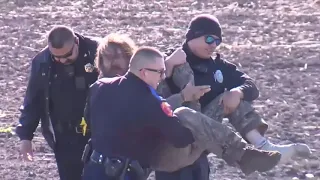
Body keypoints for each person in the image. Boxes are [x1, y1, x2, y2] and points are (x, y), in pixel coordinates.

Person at [81, 46, 282, 180]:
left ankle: (245, 154)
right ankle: (244, 155)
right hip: (126, 173)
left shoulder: (99, 87)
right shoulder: (150, 101)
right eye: (159, 72)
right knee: (188, 117)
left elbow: (87, 123)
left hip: (93, 169)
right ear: (143, 72)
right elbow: (181, 138)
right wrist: (199, 126)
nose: (162, 77)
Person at [158, 14, 311, 168]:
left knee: (231, 96)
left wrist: (237, 92)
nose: (213, 45)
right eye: (209, 39)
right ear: (192, 36)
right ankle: (242, 154)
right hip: (176, 133)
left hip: (206, 132)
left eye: (217, 41)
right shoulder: (170, 59)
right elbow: (148, 97)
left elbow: (250, 85)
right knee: (185, 111)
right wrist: (168, 67)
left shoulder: (218, 66)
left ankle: (261, 145)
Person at [15, 25, 100, 180]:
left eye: (67, 55)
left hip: (98, 136)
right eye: (56, 57)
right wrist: (25, 136)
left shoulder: (98, 52)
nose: (62, 61)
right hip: (64, 139)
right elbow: (33, 100)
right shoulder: (42, 62)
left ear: (76, 42)